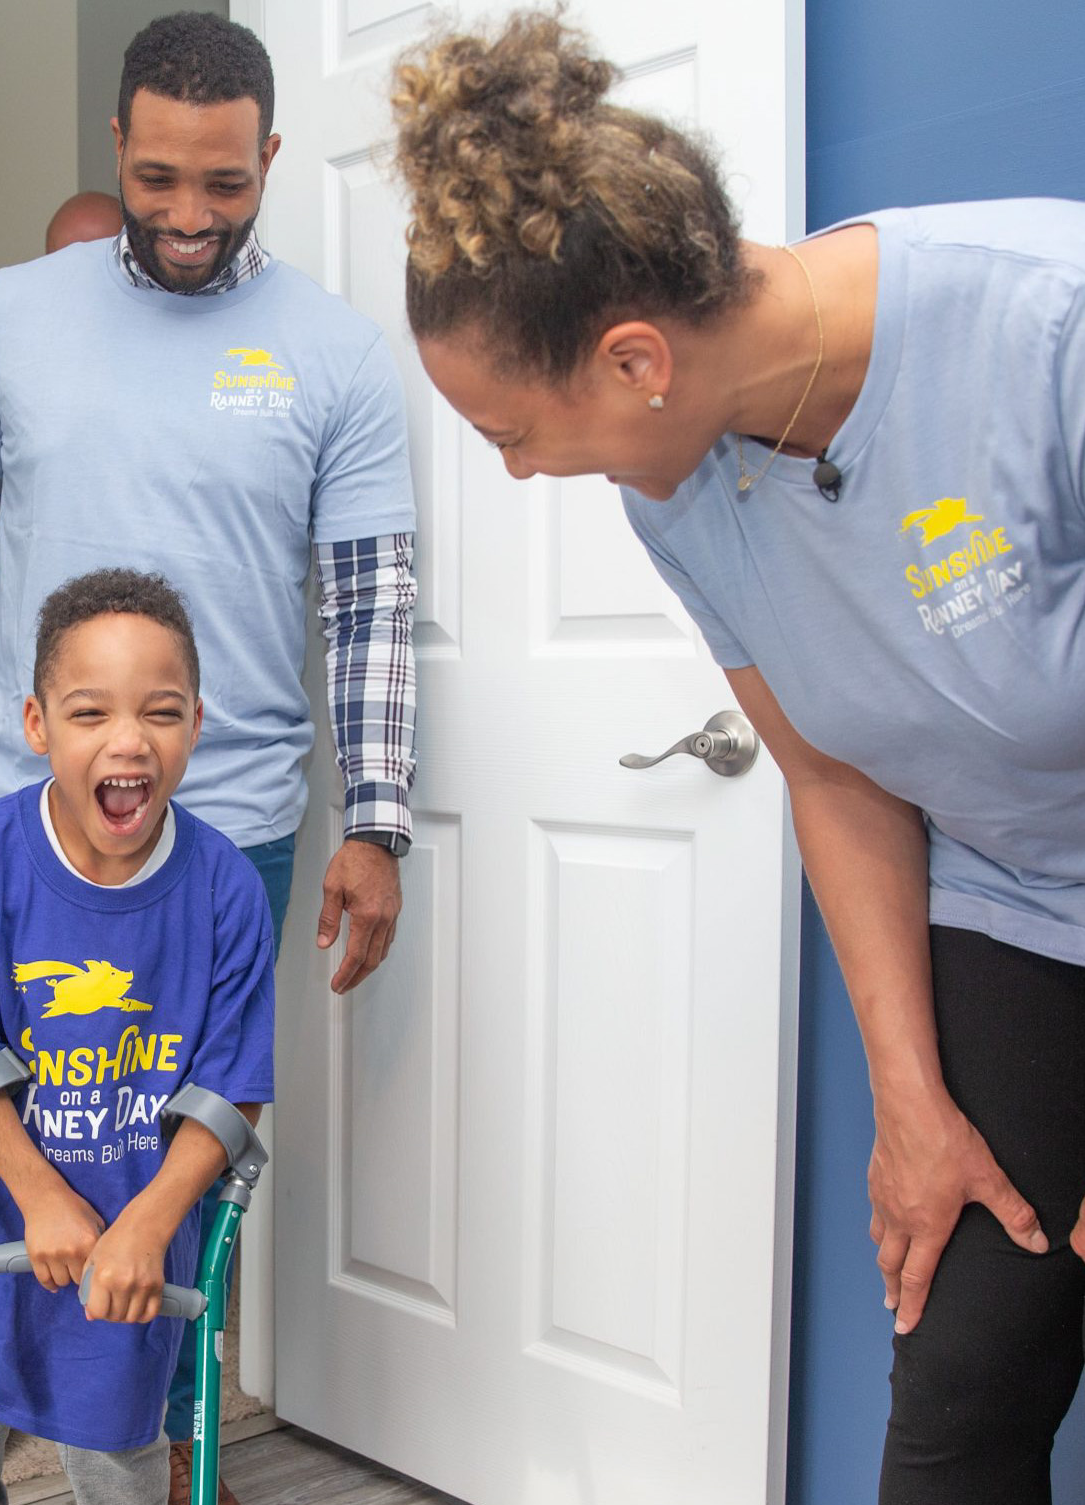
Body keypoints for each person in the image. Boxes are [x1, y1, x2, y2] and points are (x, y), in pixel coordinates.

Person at [388, 14, 1085, 1503]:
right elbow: (830, 775)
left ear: (633, 358)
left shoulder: (1046, 327)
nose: (514, 474)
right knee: (960, 1369)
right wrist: (910, 1107)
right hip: (1021, 893)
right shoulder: (681, 482)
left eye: (511, 433)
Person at [0, 18, 418, 1493]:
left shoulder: (337, 357)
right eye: (156, 177)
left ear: (270, 160)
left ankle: (152, 1433)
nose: (184, 215)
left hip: (224, 831)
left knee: (172, 1150)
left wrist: (378, 816)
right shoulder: (6, 318)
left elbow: (365, 610)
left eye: (223, 187)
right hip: (8, 818)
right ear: (114, 147)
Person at [0, 569, 273, 1505]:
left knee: (118, 1462)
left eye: (161, 712)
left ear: (196, 723)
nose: (128, 740)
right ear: (36, 724)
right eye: (89, 712)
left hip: (132, 1244)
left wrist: (147, 1222)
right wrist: (39, 1197)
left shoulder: (224, 889)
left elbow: (231, 1088)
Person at [0, 190, 129, 735]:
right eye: (59, 264)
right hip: (43, 723)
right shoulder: (25, 388)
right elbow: (4, 564)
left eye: (95, 257)